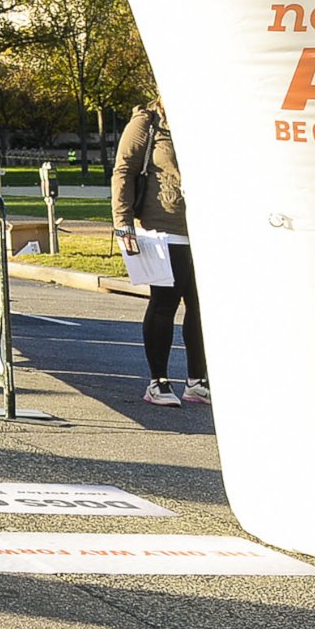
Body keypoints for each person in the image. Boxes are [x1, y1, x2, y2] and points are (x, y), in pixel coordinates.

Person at [112, 102, 205, 407]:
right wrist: (122, 223)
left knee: (202, 307)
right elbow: (123, 169)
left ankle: (197, 380)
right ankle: (158, 381)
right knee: (165, 303)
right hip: (165, 226)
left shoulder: (202, 117)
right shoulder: (148, 122)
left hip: (204, 229)